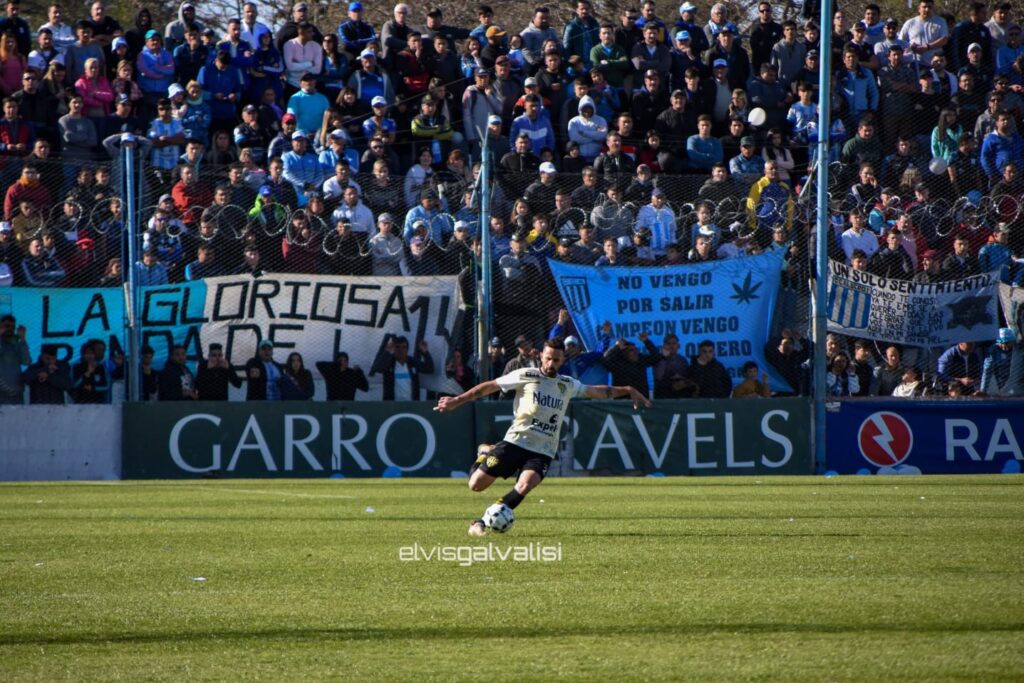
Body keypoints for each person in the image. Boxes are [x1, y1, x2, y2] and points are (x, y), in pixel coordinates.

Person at [434, 337, 651, 536]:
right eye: (548, 358)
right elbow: (489, 387)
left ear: (562, 360)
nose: (551, 363)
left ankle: (483, 520)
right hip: (516, 442)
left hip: (543, 450)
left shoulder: (567, 384)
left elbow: (597, 392)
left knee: (525, 485)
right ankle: (485, 452)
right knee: (476, 485)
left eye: (556, 360)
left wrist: (627, 389)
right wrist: (457, 400)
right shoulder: (526, 375)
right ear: (541, 356)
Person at [370, 333, 433, 401]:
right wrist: (387, 352)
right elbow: (377, 368)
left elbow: (430, 369)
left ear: (407, 349)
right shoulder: (389, 363)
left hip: (412, 404)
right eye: (397, 347)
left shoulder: (412, 362)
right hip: (392, 404)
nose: (401, 350)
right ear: (393, 348)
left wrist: (425, 352)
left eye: (404, 347)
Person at [0, 313, 28, 404]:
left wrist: (22, 339)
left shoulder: (17, 343)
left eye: (12, 326)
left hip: (16, 390)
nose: (9, 329)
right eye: (6, 326)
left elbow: (26, 361)